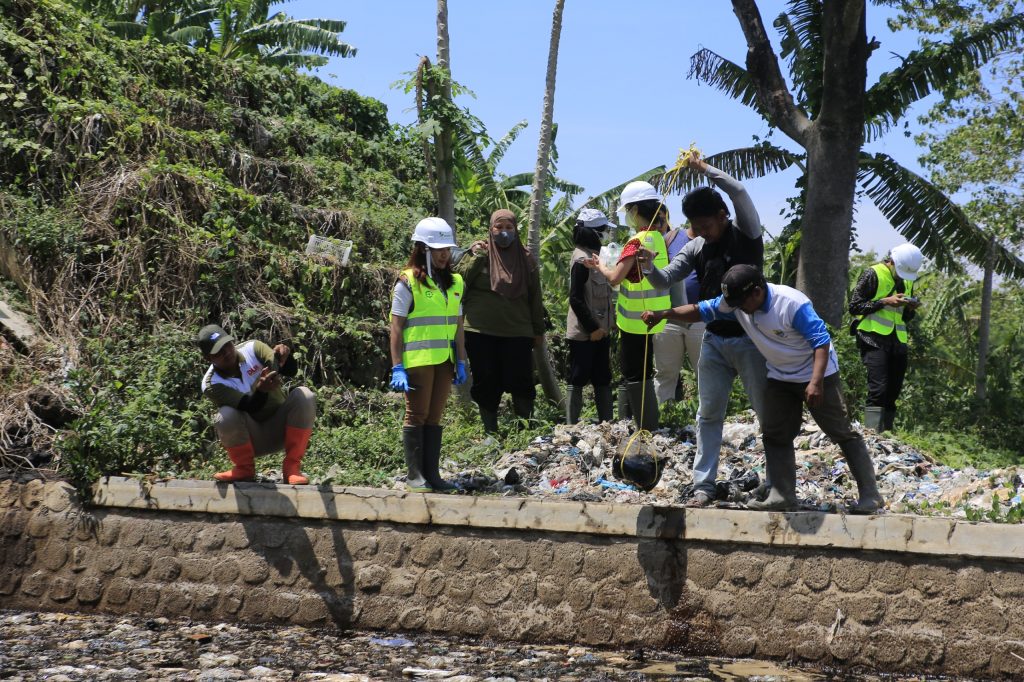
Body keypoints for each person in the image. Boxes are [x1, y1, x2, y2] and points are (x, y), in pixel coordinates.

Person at [643, 265, 884, 513]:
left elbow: (821, 341)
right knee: (775, 433)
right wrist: (663, 315)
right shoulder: (736, 304)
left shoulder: (790, 304)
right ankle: (782, 495)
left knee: (841, 432)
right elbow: (699, 310)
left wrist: (815, 382)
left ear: (757, 292)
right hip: (780, 375)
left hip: (816, 374)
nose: (737, 308)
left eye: (740, 302)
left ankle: (870, 495)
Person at [638, 152, 768, 507]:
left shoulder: (746, 234)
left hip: (750, 338)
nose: (702, 233)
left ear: (722, 216)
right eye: (696, 227)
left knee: (765, 411)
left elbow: (739, 190)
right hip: (714, 339)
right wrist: (648, 266)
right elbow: (666, 277)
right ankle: (703, 486)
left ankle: (774, 482)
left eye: (707, 226)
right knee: (708, 414)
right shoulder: (696, 246)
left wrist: (702, 169)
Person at [584, 181, 671, 431]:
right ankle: (645, 424)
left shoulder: (636, 241)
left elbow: (614, 278)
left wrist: (599, 265)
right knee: (644, 371)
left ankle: (646, 427)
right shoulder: (658, 237)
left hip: (635, 321)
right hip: (655, 317)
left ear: (634, 210)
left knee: (635, 374)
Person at [389, 217, 468, 493]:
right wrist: (397, 366)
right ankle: (415, 476)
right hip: (418, 361)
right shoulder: (407, 282)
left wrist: (460, 360)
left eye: (447, 249)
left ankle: (432, 474)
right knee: (417, 415)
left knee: (434, 417)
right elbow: (396, 328)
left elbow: (458, 327)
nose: (445, 255)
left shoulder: (456, 282)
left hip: (444, 363)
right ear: (424, 249)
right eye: (439, 249)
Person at [456, 209, 545, 433]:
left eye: (508, 228)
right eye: (499, 228)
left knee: (522, 382)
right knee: (486, 383)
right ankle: (490, 432)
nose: (503, 232)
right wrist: (478, 257)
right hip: (480, 331)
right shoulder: (478, 253)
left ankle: (525, 431)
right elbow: (460, 281)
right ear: (491, 229)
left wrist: (538, 330)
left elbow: (535, 297)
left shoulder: (526, 259)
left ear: (516, 230)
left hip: (518, 331)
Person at [198, 325, 315, 484]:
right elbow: (251, 406)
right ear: (208, 358)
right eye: (219, 352)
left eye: (227, 345)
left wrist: (284, 357)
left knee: (305, 395)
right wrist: (261, 390)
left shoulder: (253, 348)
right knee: (225, 415)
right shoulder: (211, 384)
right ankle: (244, 469)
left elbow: (288, 370)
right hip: (252, 440)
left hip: (283, 430)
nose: (226, 352)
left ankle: (292, 467)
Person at [848, 243, 923, 433]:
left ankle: (887, 433)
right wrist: (884, 302)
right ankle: (873, 433)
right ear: (892, 262)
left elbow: (904, 317)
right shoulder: (873, 274)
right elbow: (855, 307)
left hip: (897, 339)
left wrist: (909, 309)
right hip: (872, 337)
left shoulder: (907, 281)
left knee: (893, 390)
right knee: (878, 389)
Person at [565, 208, 616, 424]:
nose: (604, 234)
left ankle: (607, 424)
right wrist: (592, 328)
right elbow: (575, 299)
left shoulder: (596, 258)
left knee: (602, 378)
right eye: (602, 230)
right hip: (585, 333)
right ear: (592, 232)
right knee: (577, 377)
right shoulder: (581, 260)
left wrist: (602, 329)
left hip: (601, 331)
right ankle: (570, 426)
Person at [653, 221, 704, 405]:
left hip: (702, 316)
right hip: (669, 316)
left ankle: (708, 416)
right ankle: (664, 418)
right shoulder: (671, 238)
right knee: (665, 372)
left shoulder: (714, 240)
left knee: (706, 371)